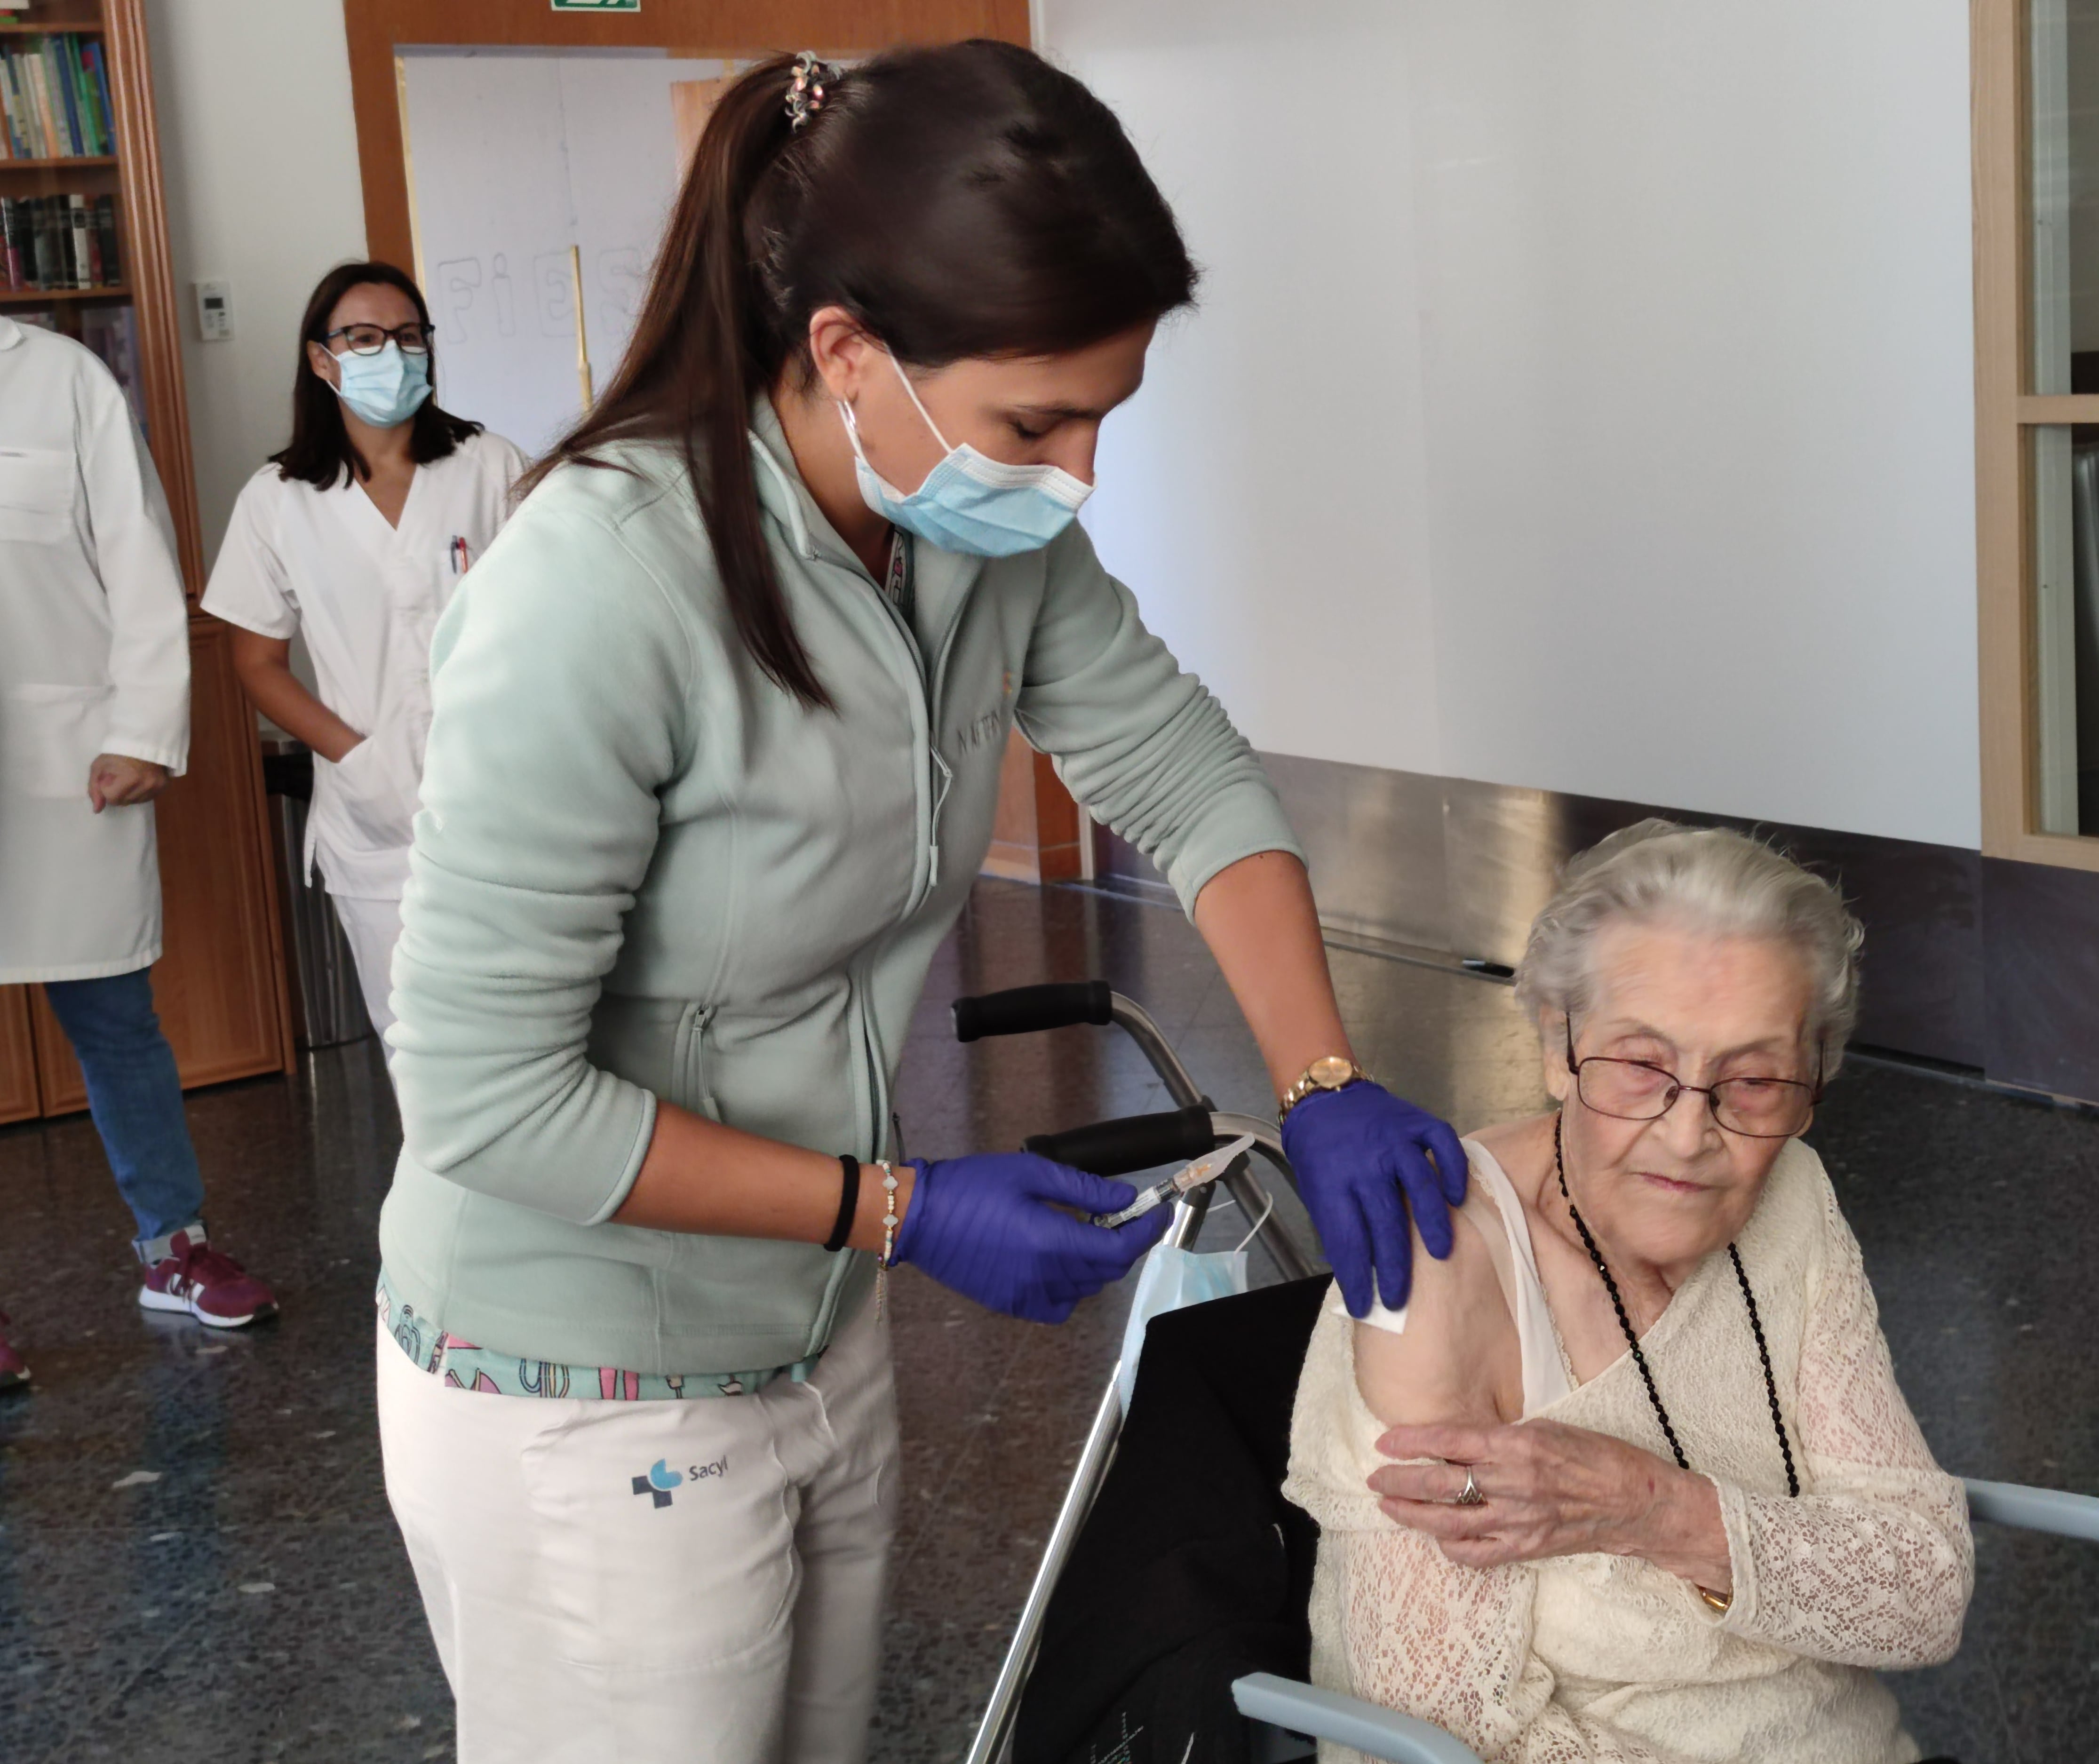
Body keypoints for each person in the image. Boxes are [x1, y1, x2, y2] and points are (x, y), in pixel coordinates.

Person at [371, 44, 1466, 1761]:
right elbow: (486, 1100)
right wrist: (903, 1208)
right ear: (845, 352)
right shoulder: (598, 589)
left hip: (809, 1324)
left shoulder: (977, 538)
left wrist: (1323, 1075)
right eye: (1040, 421)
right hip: (577, 1377)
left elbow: (1186, 775)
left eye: (1105, 416)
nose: (1081, 472)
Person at [1285, 822, 1973, 1764]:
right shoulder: (1441, 1265)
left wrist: (1650, 1507)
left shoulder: (1793, 1197)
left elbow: (1921, 1597)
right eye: (1642, 1067)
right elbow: (1440, 1726)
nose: (1689, 1134)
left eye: (1755, 1081)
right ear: (1557, 1048)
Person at [0, 314, 278, 1383]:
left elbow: (139, 552)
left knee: (117, 1021)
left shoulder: (62, 378)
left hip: (71, 766)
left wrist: (141, 731)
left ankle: (174, 1251)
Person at [202, 262, 528, 1037]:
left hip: (510, 796)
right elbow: (257, 662)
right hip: (377, 816)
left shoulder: (490, 467)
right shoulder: (277, 499)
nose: (393, 352)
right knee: (418, 1050)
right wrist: (357, 757)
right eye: (366, 337)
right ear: (323, 358)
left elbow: (552, 620)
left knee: (532, 1039)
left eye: (409, 336)